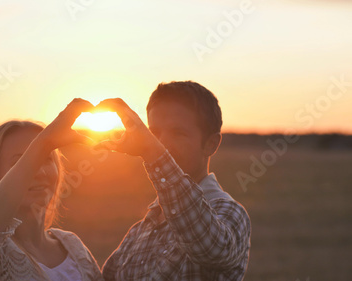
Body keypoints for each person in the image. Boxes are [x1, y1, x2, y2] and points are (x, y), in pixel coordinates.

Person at [98, 81, 251, 280]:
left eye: (178, 133)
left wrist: (154, 153)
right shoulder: (139, 231)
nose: (162, 143)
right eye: (154, 133)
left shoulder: (229, 213)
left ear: (211, 144)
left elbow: (212, 250)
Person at [0, 99, 104, 281]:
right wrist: (44, 142)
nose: (40, 172)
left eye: (47, 158)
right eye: (21, 162)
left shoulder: (73, 246)